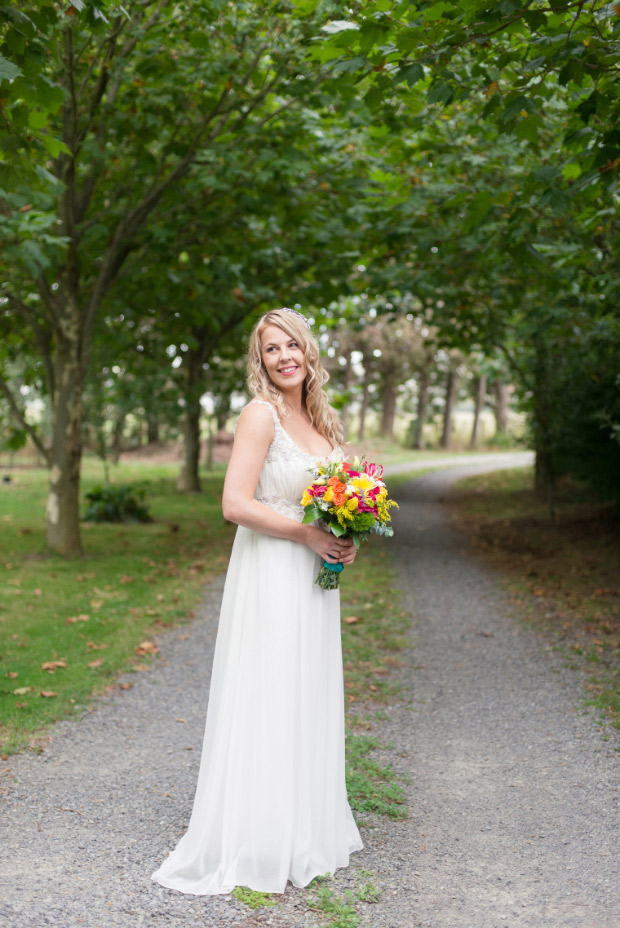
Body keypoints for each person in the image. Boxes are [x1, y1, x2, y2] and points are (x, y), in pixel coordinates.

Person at [151, 308, 363, 896]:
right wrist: (306, 534)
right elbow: (234, 504)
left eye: (291, 344)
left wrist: (344, 541)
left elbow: (329, 505)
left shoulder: (319, 420)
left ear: (308, 350)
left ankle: (302, 827)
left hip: (313, 575)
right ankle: (260, 835)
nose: (284, 356)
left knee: (306, 689)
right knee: (271, 689)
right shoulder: (259, 414)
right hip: (271, 568)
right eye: (271, 349)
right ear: (261, 360)